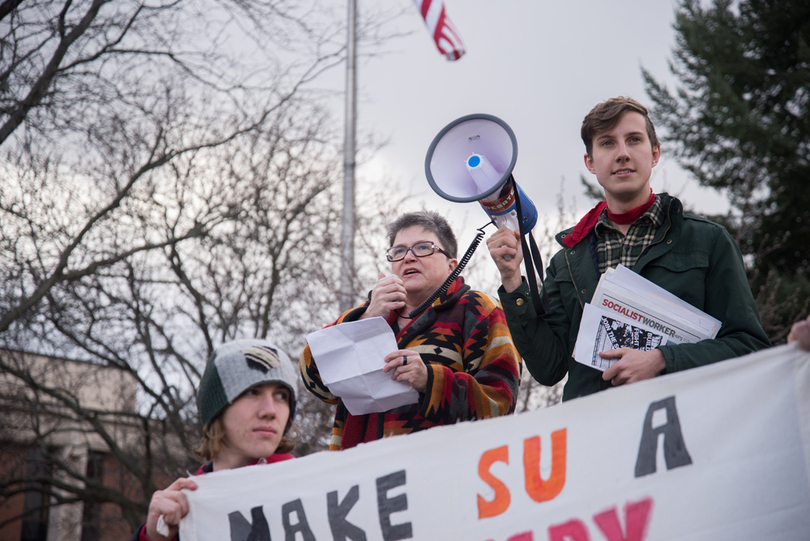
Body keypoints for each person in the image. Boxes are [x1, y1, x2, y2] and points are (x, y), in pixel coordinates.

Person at [487, 96, 771, 401]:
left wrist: (662, 360)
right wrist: (513, 280)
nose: (622, 153)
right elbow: (549, 368)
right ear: (591, 163)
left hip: (684, 428)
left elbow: (748, 346)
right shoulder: (567, 259)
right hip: (594, 433)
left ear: (654, 154)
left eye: (634, 140)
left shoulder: (708, 241)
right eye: (608, 143)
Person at [300, 210, 520, 450]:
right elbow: (313, 379)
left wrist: (430, 381)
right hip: (362, 476)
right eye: (399, 251)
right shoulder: (366, 314)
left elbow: (500, 403)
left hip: (439, 474)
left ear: (452, 265)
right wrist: (366, 319)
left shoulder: (478, 309)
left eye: (423, 248)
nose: (409, 258)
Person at [129, 339, 299, 541]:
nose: (270, 411)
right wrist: (154, 538)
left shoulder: (310, 490)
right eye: (253, 392)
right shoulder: (182, 511)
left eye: (281, 395)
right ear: (217, 409)